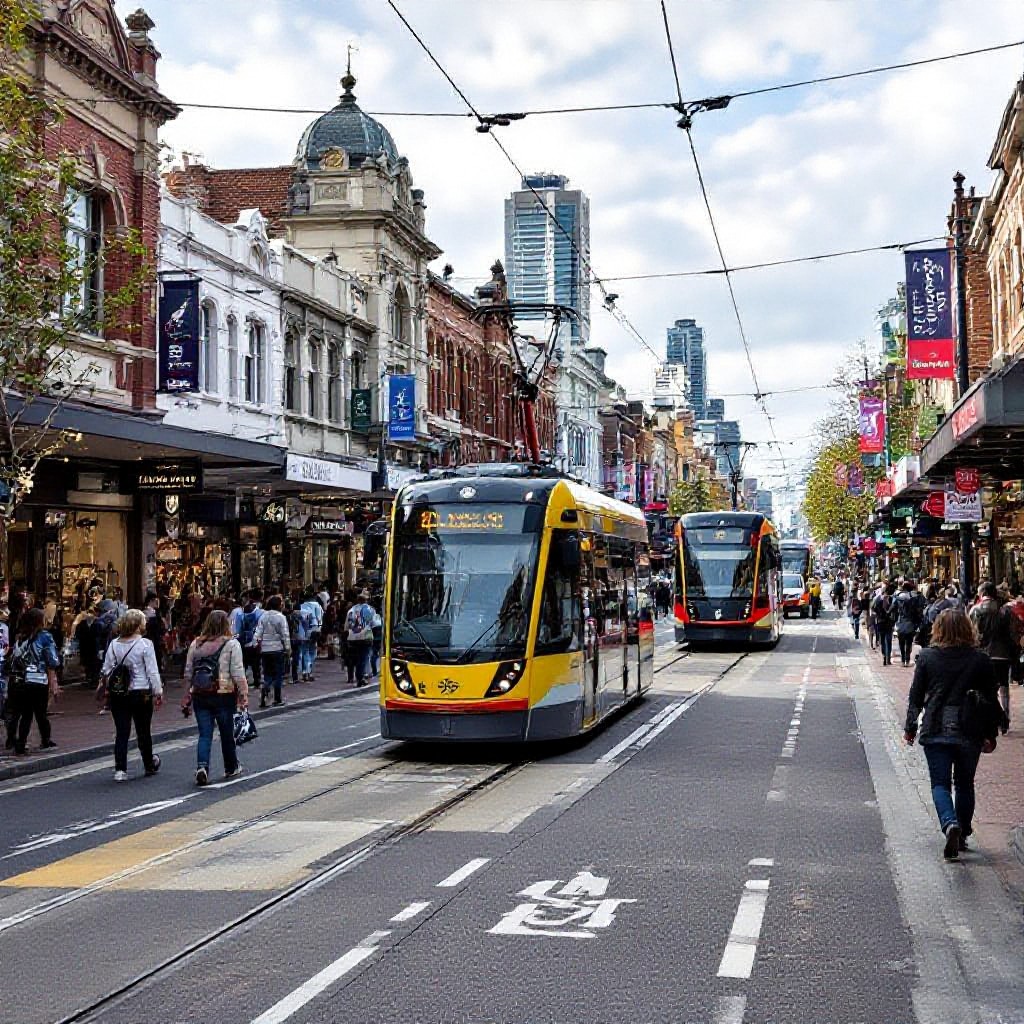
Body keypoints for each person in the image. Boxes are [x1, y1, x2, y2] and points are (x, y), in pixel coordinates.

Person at [903, 608, 1001, 860]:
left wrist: (910, 727)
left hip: (936, 726)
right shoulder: (980, 659)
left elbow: (916, 696)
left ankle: (949, 823)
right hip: (970, 729)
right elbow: (990, 700)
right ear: (968, 629)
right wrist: (991, 734)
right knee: (965, 783)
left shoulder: (926, 657)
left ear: (938, 629)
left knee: (940, 784)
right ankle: (964, 832)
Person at [182, 610, 248, 785]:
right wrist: (243, 693)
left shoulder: (196, 644)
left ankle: (202, 766)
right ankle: (231, 766)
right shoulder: (232, 644)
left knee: (204, 733)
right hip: (224, 693)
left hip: (200, 693)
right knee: (227, 733)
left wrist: (187, 695)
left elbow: (188, 672)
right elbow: (237, 672)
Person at [98, 609, 162, 782]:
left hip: (119, 692)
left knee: (122, 731)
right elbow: (152, 671)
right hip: (141, 691)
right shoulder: (145, 644)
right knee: (143, 730)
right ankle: (149, 763)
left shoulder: (114, 644)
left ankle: (120, 769)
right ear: (138, 625)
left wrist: (107, 687)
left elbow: (107, 669)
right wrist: (158, 691)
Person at [8, 607, 61, 754]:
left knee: (25, 714)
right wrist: (53, 684)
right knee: (41, 713)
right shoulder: (45, 636)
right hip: (38, 680)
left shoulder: (20, 637)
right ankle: (46, 740)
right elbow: (52, 661)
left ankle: (20, 743)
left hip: (20, 680)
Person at [970, 582, 1018, 734]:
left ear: (982, 593)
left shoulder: (975, 610)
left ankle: (991, 718)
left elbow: (972, 633)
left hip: (982, 655)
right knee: (1003, 687)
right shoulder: (1005, 611)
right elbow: (1013, 632)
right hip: (1002, 654)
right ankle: (1005, 718)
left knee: (984, 688)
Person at [253, 595, 290, 708]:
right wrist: (288, 648)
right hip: (277, 649)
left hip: (265, 649)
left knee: (267, 672)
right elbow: (285, 634)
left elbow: (258, 632)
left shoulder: (263, 616)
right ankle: (277, 698)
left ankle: (265, 688)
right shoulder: (281, 617)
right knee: (278, 674)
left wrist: (255, 644)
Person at [345, 589, 376, 687]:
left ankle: (357, 676)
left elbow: (347, 625)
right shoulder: (370, 609)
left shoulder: (351, 610)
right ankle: (360, 677)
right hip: (366, 636)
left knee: (356, 657)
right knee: (363, 657)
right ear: (366, 600)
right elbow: (374, 623)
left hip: (353, 637)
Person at [893, 579, 927, 666]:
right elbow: (919, 609)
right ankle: (907, 660)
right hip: (910, 622)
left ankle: (902, 659)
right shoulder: (914, 597)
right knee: (909, 642)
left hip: (900, 622)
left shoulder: (898, 596)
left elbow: (893, 608)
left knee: (901, 642)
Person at [238, 597, 263, 694]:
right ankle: (257, 681)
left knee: (244, 664)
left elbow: (239, 630)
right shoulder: (257, 616)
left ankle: (244, 682)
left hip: (245, 643)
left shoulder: (242, 616)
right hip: (253, 643)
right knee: (256, 665)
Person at [299, 589, 324, 682]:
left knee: (304, 651)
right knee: (312, 651)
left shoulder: (301, 606)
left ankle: (305, 671)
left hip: (304, 632)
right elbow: (321, 618)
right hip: (316, 630)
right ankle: (309, 670)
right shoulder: (318, 606)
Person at [872, 584, 896, 665]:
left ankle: (884, 656)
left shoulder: (878, 598)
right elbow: (894, 610)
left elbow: (873, 608)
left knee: (882, 640)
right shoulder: (891, 599)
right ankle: (888, 658)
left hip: (880, 622)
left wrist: (878, 615)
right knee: (888, 640)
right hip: (889, 622)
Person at [143, 591, 167, 671]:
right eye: (155, 601)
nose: (157, 603)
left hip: (152, 638)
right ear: (151, 601)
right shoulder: (149, 613)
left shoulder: (154, 612)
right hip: (153, 638)